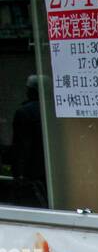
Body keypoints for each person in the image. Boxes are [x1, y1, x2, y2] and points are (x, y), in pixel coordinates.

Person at [11, 75, 48, 206]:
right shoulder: (53, 109)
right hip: (48, 169)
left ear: (32, 91)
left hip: (32, 173)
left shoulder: (25, 112)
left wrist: (18, 173)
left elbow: (21, 146)